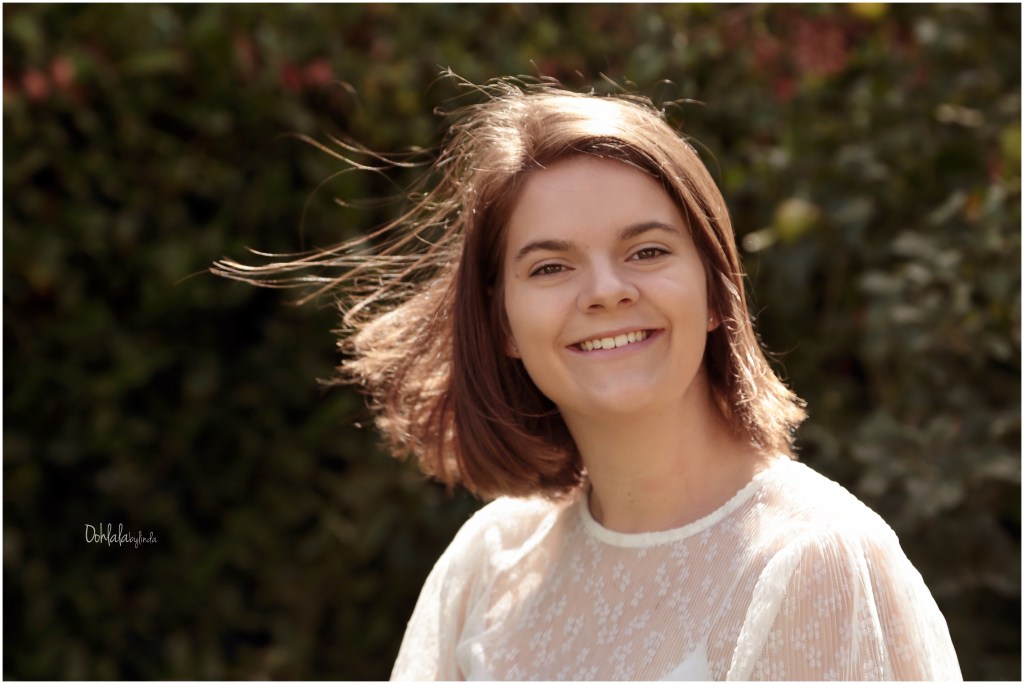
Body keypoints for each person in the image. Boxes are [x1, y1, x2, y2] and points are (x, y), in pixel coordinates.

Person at [214, 78, 962, 680]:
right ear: (502, 323)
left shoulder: (813, 562)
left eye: (646, 252)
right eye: (550, 266)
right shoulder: (492, 560)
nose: (604, 290)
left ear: (716, 294)